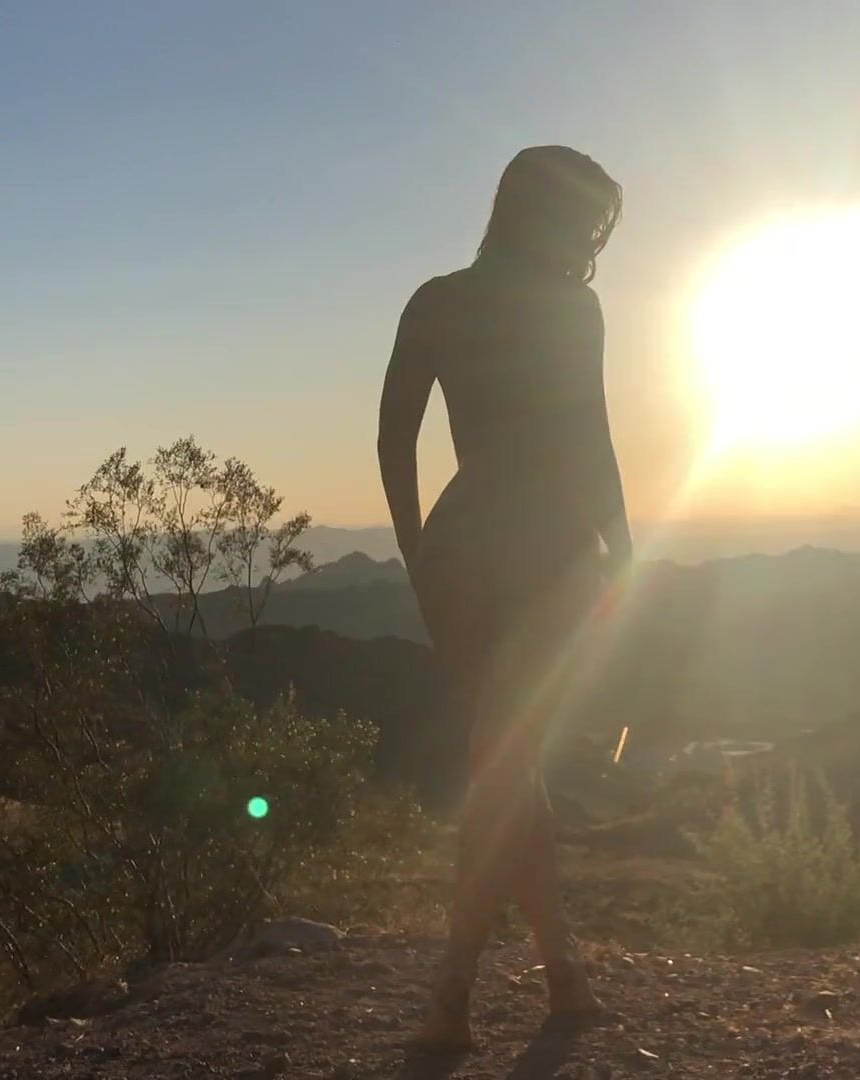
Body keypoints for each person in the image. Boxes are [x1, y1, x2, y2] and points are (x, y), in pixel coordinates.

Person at [378, 145, 632, 1049]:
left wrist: (417, 555)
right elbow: (592, 440)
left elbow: (394, 441)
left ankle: (565, 976)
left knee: (509, 760)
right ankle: (452, 988)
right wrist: (624, 556)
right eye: (587, 220)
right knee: (507, 759)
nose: (592, 239)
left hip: (459, 545)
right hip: (552, 552)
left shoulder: (436, 301)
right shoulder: (573, 309)